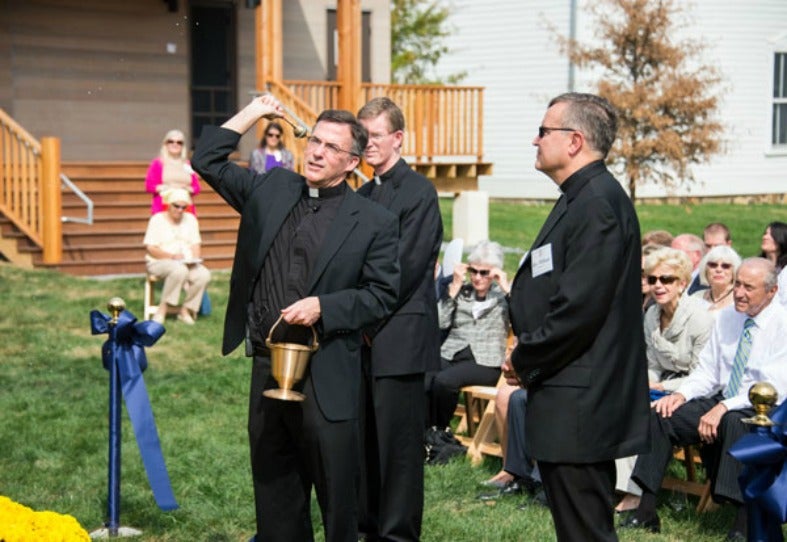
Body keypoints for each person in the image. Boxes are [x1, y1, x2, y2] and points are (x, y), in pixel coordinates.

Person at [191, 94, 400, 542]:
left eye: (331, 148)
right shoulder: (271, 188)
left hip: (327, 374)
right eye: (315, 141)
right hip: (269, 367)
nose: (318, 152)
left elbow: (382, 296)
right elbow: (205, 160)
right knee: (275, 495)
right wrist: (253, 112)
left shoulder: (374, 221)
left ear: (352, 162)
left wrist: (325, 306)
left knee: (336, 501)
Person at [504, 92, 650, 542]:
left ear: (574, 141)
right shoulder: (580, 196)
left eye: (544, 131)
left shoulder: (598, 203)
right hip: (569, 393)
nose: (535, 139)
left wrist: (526, 357)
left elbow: (579, 310)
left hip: (582, 400)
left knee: (585, 531)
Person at [622, 258, 787, 541]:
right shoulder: (727, 318)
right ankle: (646, 509)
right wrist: (681, 395)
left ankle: (743, 523)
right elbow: (707, 372)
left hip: (765, 407)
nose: (739, 293)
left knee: (737, 422)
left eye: (749, 287)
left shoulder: (783, 325)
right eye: (737, 284)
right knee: (662, 414)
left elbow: (773, 384)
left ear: (771, 292)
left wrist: (723, 407)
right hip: (721, 398)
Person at [354, 97, 443, 542]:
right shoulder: (365, 193)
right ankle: (367, 527)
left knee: (399, 451)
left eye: (374, 135)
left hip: (399, 339)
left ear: (397, 138)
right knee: (366, 445)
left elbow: (405, 269)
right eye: (362, 135)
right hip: (364, 339)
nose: (366, 143)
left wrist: (364, 321)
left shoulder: (419, 192)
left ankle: (397, 536)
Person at [615, 247, 714, 513]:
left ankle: (635, 493)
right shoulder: (651, 314)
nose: (658, 285)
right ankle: (612, 483)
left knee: (644, 413)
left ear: (682, 283)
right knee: (616, 403)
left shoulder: (700, 318)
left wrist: (662, 387)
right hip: (662, 384)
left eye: (666, 279)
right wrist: (648, 382)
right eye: (652, 279)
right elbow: (652, 363)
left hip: (696, 390)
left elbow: (702, 373)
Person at [426, 241, 510, 431]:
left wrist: (506, 288)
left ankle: (440, 430)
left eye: (484, 272)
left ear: (495, 273)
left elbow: (524, 319)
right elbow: (439, 322)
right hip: (452, 352)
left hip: (485, 361)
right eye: (474, 271)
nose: (477, 277)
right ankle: (422, 430)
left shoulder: (503, 296)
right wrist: (454, 287)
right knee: (424, 375)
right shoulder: (462, 291)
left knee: (444, 381)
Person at [143, 188, 211, 325]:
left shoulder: (191, 219)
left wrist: (194, 260)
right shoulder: (157, 220)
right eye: (176, 206)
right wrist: (172, 256)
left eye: (183, 207)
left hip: (186, 262)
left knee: (203, 274)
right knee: (179, 270)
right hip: (160, 261)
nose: (180, 210)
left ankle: (185, 310)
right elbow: (151, 248)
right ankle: (162, 310)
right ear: (169, 205)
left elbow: (196, 244)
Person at [145, 129, 201, 215]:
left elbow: (196, 187)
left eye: (179, 142)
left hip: (186, 209)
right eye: (171, 141)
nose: (175, 144)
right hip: (163, 209)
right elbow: (149, 186)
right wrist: (163, 187)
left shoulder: (187, 164)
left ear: (183, 146)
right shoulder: (158, 163)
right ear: (165, 144)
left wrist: (189, 189)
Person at [692, 245, 742, 313]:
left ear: (734, 270)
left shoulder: (740, 299)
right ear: (705, 269)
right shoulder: (696, 297)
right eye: (713, 265)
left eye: (725, 266)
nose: (718, 270)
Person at [760, 221, 787, 308]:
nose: (765, 237)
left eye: (771, 234)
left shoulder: (784, 271)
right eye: (765, 234)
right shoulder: (757, 266)